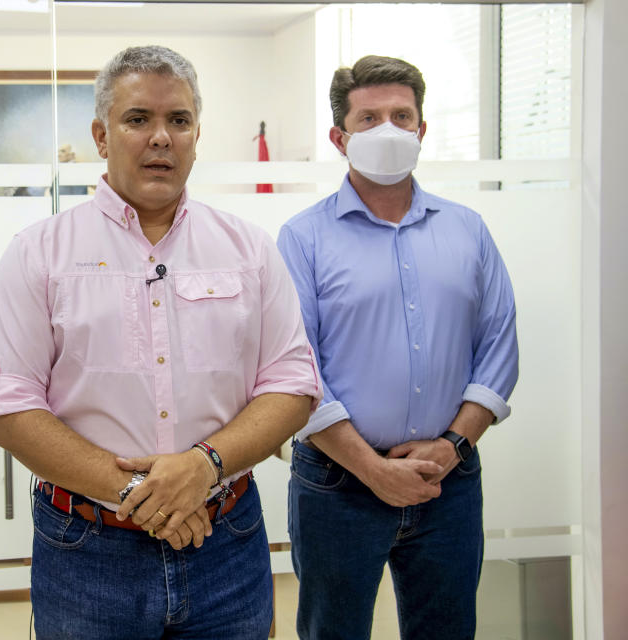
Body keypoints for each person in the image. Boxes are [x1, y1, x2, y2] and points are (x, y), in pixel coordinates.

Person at [0, 45, 322, 640]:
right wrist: (143, 494)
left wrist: (202, 467)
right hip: (87, 548)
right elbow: (7, 406)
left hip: (226, 542)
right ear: (101, 135)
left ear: (195, 135)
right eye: (138, 119)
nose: (161, 137)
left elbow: (292, 384)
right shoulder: (41, 253)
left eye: (178, 121)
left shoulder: (247, 249)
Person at [277, 55, 519, 640]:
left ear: (421, 129)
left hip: (449, 481)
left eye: (401, 115)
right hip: (338, 485)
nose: (388, 129)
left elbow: (499, 349)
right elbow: (296, 368)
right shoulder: (303, 237)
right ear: (340, 137)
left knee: (448, 629)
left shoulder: (468, 230)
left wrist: (454, 445)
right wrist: (372, 469)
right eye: (369, 119)